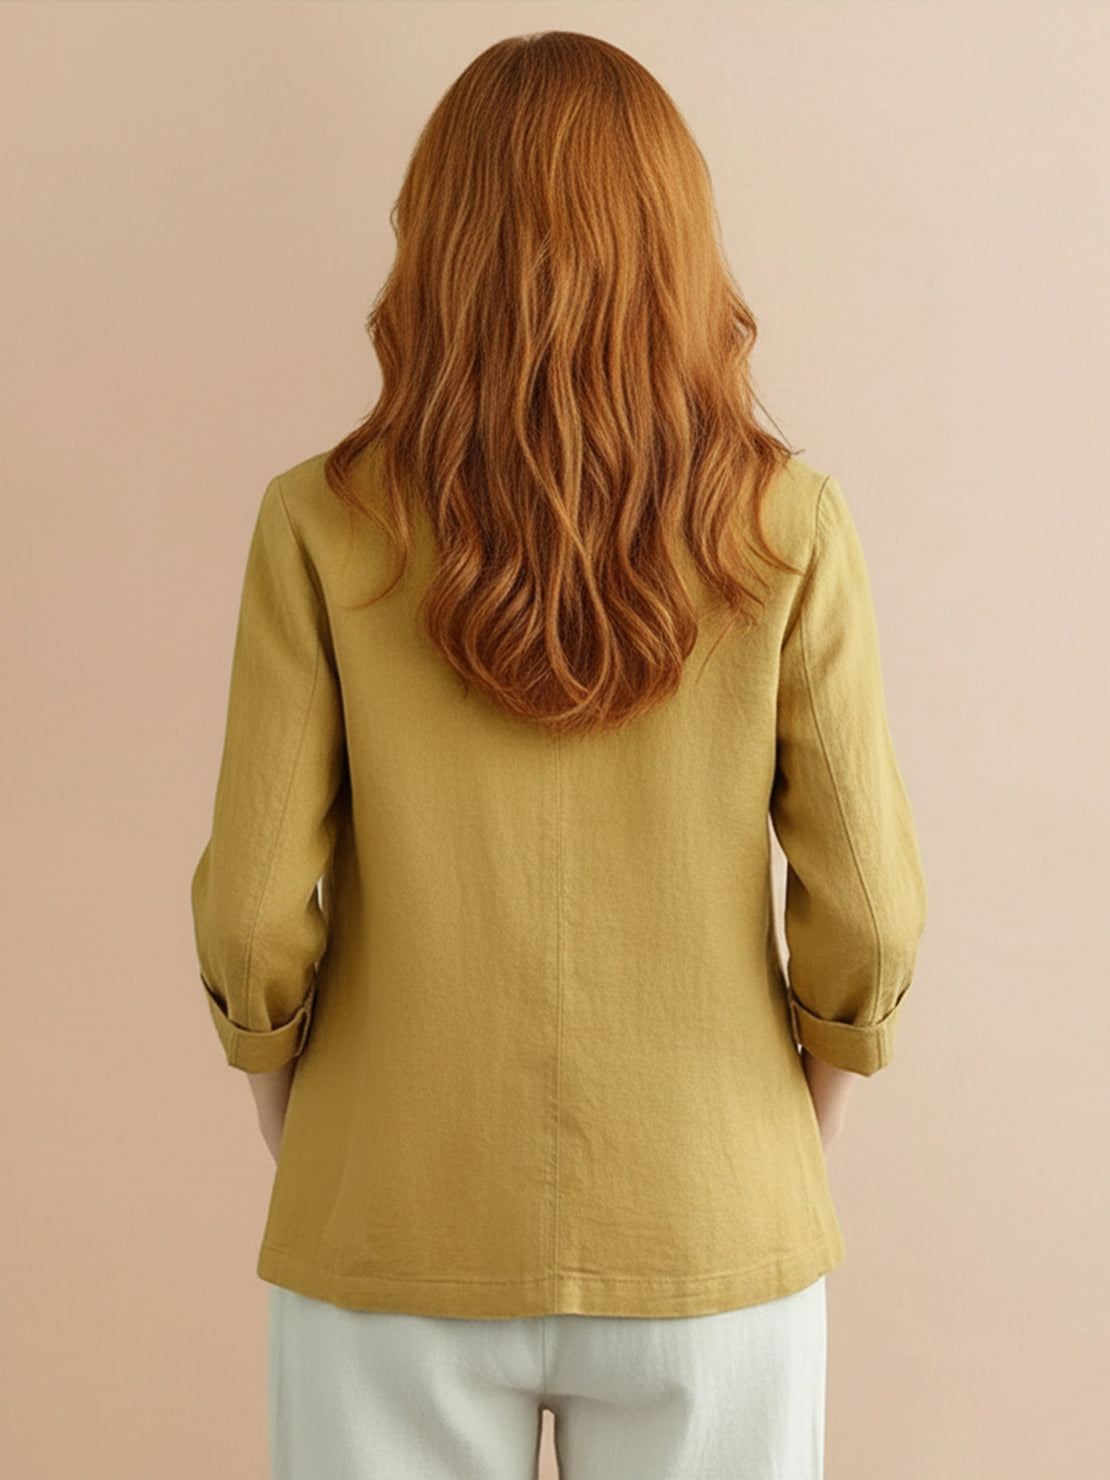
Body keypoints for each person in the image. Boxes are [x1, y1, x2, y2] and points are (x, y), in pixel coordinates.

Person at [190, 30, 928, 1480]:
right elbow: (873, 910)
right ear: (678, 243)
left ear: (435, 244)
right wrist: (790, 1129)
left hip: (388, 1210)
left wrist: (305, 1120)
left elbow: (252, 911)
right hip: (714, 1215)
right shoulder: (788, 524)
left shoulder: (318, 523)